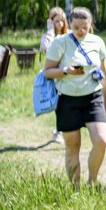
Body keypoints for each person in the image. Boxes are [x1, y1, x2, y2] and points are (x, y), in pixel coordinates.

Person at [43, 7, 106, 188]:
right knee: (73, 147)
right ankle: (76, 189)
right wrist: (66, 71)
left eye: (84, 27)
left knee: (101, 141)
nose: (81, 31)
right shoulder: (60, 43)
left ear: (90, 25)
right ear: (69, 24)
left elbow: (104, 73)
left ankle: (92, 181)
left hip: (93, 98)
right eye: (76, 27)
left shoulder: (97, 42)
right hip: (68, 100)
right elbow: (48, 72)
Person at [40, 7, 69, 144]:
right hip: (54, 75)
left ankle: (63, 130)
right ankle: (59, 131)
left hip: (68, 75)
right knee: (59, 104)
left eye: (62, 20)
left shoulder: (69, 34)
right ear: (51, 22)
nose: (60, 24)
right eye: (57, 21)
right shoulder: (47, 37)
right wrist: (50, 30)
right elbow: (47, 48)